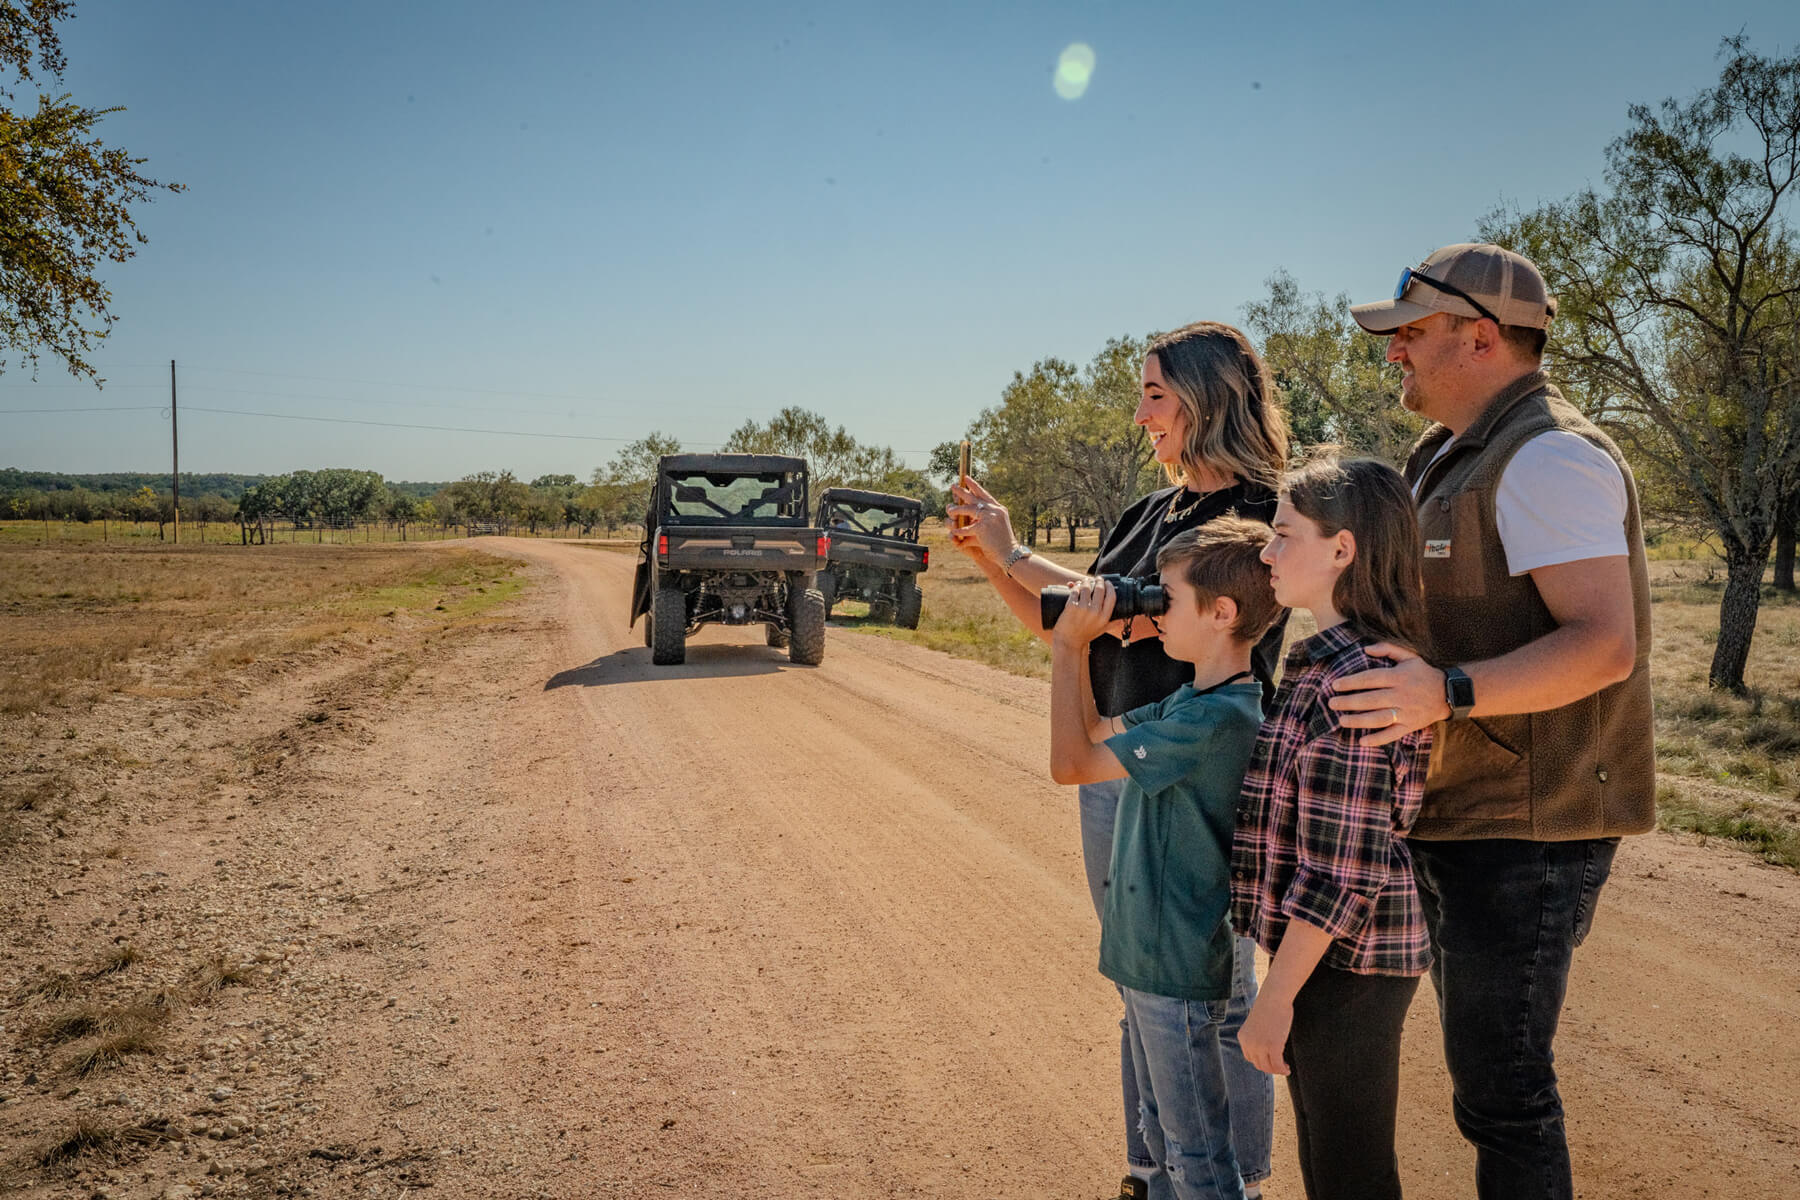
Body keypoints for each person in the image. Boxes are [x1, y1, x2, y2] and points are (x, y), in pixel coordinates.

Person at [1328, 244, 1654, 1200]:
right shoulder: (1446, 454)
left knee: (1503, 1095)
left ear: (1481, 336)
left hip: (1528, 827)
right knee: (1489, 1087)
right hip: (1467, 811)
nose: (1394, 354)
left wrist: (1447, 694)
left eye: (1411, 334)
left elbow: (1603, 646)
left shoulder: (1549, 456)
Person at [948, 321, 1289, 1200]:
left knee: (1217, 996)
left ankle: (1230, 1178)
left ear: (1207, 399)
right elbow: (1071, 624)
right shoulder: (1150, 513)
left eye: (1155, 395)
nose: (1141, 416)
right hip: (1117, 766)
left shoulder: (1254, 519)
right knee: (1143, 984)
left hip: (1196, 775)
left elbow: (1119, 615)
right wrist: (994, 562)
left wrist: (1017, 550)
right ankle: (1153, 1168)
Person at [1047, 519, 1284, 1200]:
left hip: (1176, 964)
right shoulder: (1195, 701)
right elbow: (1093, 732)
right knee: (1162, 1140)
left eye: (1167, 599)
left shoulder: (1216, 720)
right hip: (1153, 959)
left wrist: (1068, 649)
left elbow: (1071, 763)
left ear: (1222, 613)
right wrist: (1084, 645)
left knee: (1197, 1158)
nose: (1155, 610)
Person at [1230, 452, 1435, 1200]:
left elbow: (1340, 871)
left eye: (1284, 535)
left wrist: (1275, 998)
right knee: (1332, 1164)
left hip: (1347, 966)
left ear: (1341, 549)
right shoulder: (1328, 663)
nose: (1268, 552)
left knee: (1351, 1174)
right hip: (1331, 962)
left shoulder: (1357, 682)